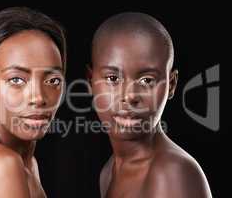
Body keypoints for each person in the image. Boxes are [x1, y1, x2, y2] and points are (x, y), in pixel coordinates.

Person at [88, 12, 212, 198]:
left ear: (171, 84)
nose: (129, 96)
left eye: (147, 80)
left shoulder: (173, 174)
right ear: (90, 81)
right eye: (113, 78)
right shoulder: (108, 172)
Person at [0, 7, 66, 198]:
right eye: (16, 80)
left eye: (52, 80)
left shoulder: (28, 163)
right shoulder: (1, 164)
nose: (39, 97)